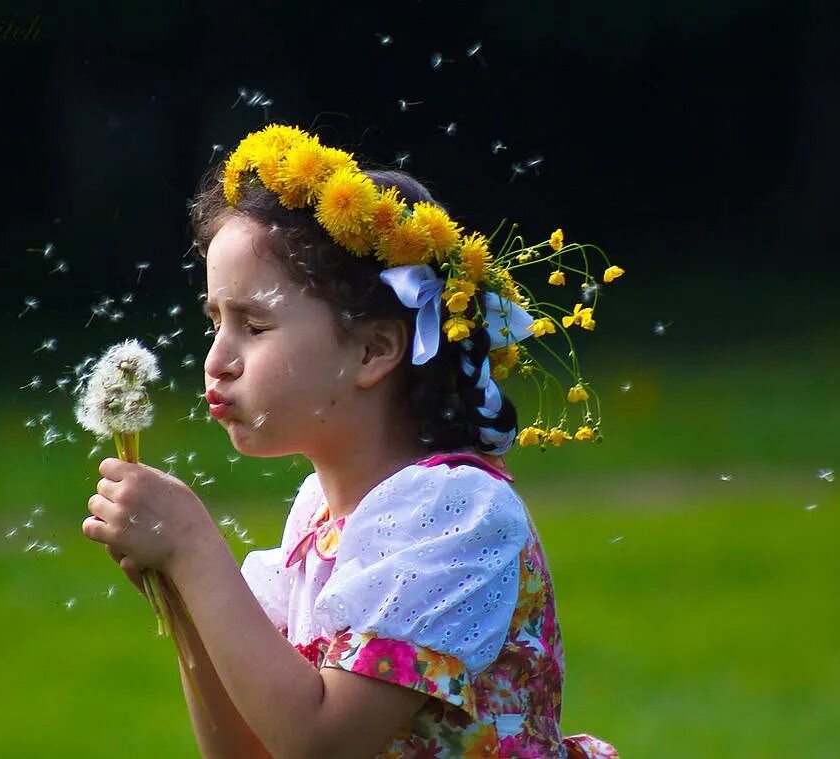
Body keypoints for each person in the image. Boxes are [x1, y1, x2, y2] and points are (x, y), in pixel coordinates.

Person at [83, 125, 620, 757]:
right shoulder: (319, 513)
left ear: (373, 349)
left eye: (253, 325)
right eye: (214, 322)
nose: (217, 360)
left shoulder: (456, 515)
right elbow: (248, 750)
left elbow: (321, 743)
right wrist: (180, 590)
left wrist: (196, 549)